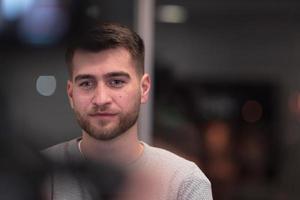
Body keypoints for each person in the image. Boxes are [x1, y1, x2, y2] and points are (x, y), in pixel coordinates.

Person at [43, 21, 213, 200]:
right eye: (86, 83)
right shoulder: (37, 175)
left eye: (116, 82)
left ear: (144, 89)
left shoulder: (183, 182)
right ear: (71, 94)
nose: (101, 99)